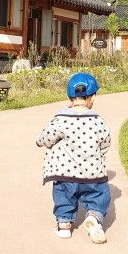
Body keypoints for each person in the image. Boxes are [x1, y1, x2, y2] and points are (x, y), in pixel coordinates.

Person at [35, 72, 111, 243]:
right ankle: (94, 217)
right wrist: (98, 157)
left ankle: (64, 225)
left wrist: (39, 141)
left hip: (65, 173)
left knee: (63, 195)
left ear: (69, 96)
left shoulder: (60, 119)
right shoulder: (98, 121)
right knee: (99, 196)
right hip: (93, 174)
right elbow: (106, 142)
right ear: (92, 97)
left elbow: (46, 138)